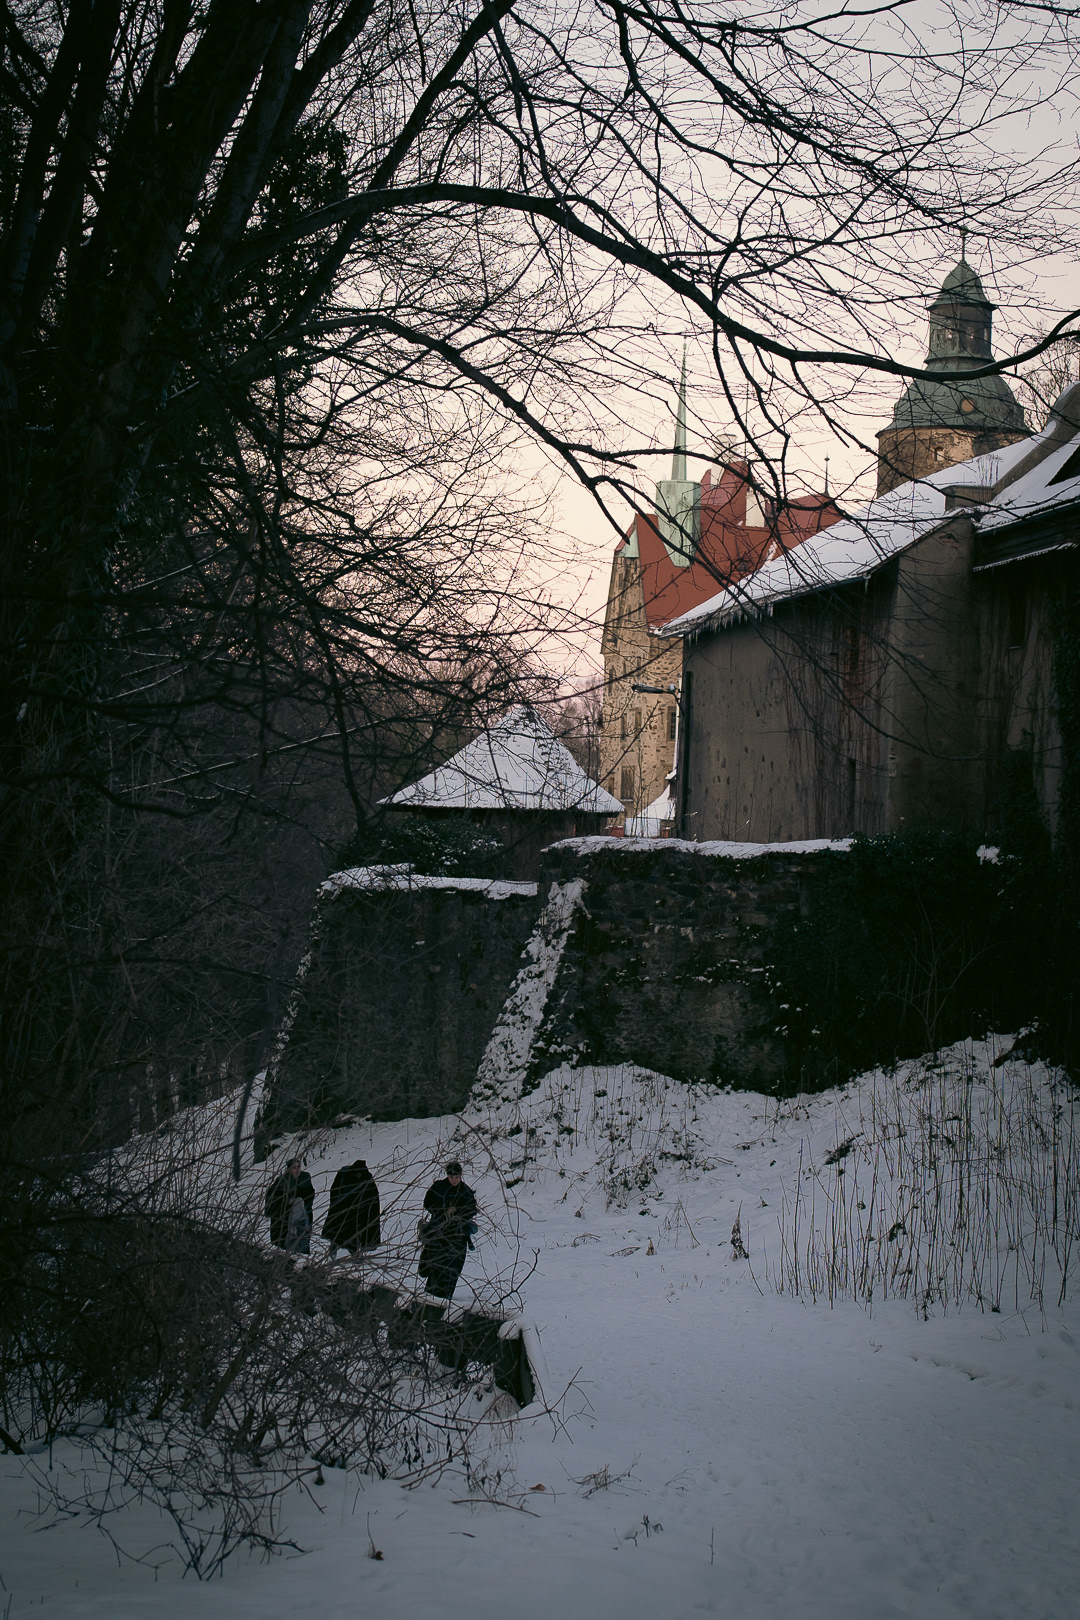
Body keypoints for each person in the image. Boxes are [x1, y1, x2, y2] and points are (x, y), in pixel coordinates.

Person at [418, 1160, 478, 1300]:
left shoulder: (465, 1191)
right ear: (447, 1175)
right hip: (438, 1230)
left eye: (457, 1177)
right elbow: (428, 1202)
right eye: (451, 1177)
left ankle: (446, 1294)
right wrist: (443, 1210)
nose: (454, 1180)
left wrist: (457, 1212)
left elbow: (471, 1209)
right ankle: (431, 1292)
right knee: (435, 1263)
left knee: (453, 1266)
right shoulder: (439, 1187)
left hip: (457, 1234)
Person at [322, 1159, 381, 1254]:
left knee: (359, 1232)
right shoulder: (344, 1175)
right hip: (344, 1209)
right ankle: (336, 1247)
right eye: (356, 1174)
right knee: (341, 1231)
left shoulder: (367, 1178)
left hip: (361, 1210)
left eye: (360, 1174)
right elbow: (336, 1192)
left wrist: (369, 1207)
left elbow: (373, 1195)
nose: (358, 1176)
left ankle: (356, 1252)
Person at [264, 1158, 315, 1253]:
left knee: (302, 1241)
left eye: (298, 1167)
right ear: (289, 1169)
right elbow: (272, 1198)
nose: (297, 1170)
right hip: (285, 1218)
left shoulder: (305, 1178)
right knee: (286, 1244)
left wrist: (302, 1201)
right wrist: (287, 1201)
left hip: (303, 1216)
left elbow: (310, 1194)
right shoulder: (282, 1181)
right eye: (294, 1168)